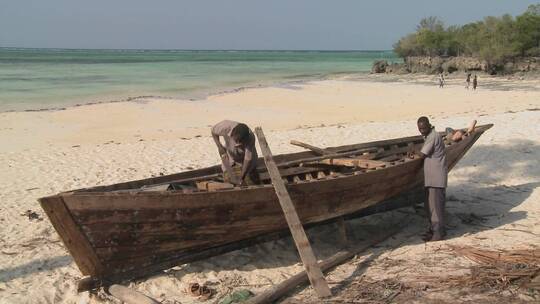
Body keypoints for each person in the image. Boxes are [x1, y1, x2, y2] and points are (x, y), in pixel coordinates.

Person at [410, 116, 448, 241]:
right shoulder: (429, 136)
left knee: (436, 207)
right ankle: (433, 230)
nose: (421, 130)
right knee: (430, 206)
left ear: (429, 125)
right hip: (431, 178)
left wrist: (413, 150)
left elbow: (422, 154)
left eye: (424, 128)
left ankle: (438, 234)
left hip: (436, 179)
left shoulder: (433, 136)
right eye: (420, 128)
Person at [211, 120, 260, 186]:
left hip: (244, 159)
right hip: (231, 156)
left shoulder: (250, 137)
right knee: (228, 180)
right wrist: (219, 146)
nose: (237, 145)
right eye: (236, 141)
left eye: (240, 143)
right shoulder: (225, 127)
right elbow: (213, 131)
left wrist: (242, 177)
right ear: (232, 134)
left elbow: (248, 158)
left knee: (252, 181)